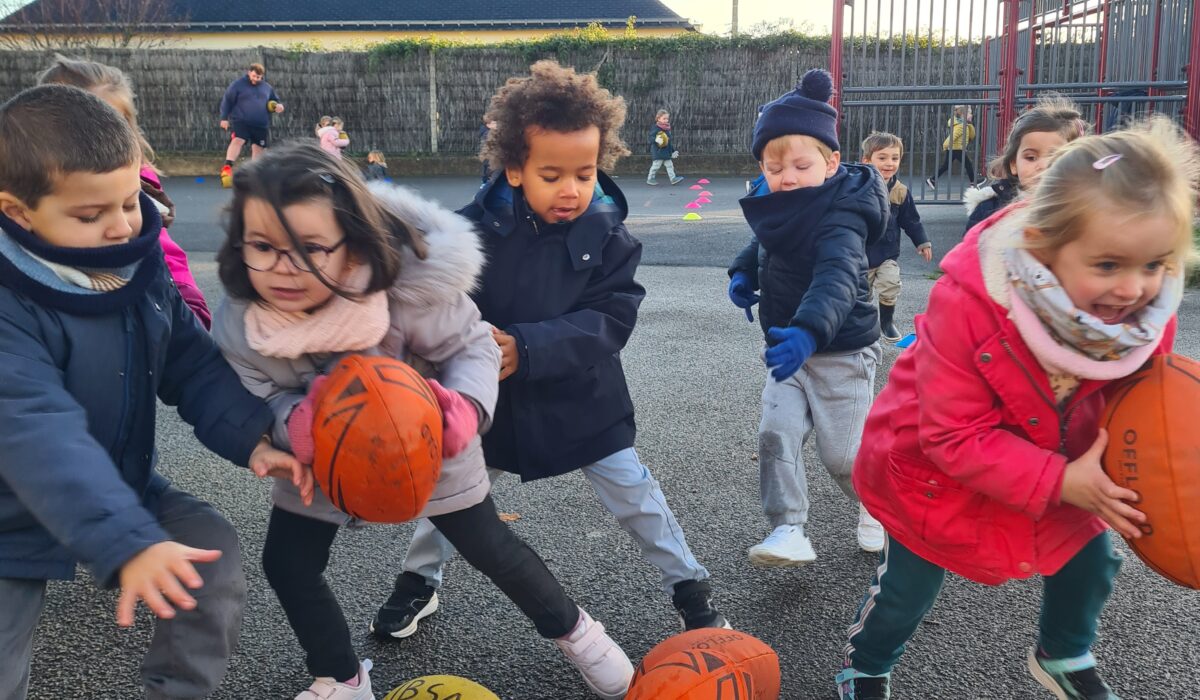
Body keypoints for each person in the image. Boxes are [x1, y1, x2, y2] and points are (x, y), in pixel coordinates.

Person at [213, 142, 635, 700]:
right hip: (320, 456)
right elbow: (256, 390)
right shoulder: (244, 321)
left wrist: (464, 408)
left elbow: (473, 347)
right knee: (287, 563)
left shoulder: (406, 290)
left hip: (427, 439)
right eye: (262, 247)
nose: (285, 268)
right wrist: (296, 423)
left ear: (354, 242)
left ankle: (579, 634)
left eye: (311, 249)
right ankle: (339, 676)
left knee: (492, 549)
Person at [836, 117, 1195, 700]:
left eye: (1155, 265)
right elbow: (951, 436)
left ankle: (1064, 653)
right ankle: (868, 664)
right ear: (1043, 248)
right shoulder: (974, 301)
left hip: (1056, 461)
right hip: (932, 473)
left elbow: (1149, 404)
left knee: (1092, 559)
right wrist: (1060, 479)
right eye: (1108, 265)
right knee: (908, 590)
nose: (1134, 289)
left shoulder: (1144, 315)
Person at [377, 60, 729, 645]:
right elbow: (431, 299)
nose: (571, 189)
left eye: (585, 173)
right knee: (448, 490)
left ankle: (688, 585)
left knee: (635, 493)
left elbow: (613, 316)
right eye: (551, 174)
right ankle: (419, 579)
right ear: (514, 170)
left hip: (582, 397)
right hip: (487, 400)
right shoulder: (467, 234)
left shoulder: (610, 236)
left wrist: (532, 346)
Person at [0, 84, 308, 700]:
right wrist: (127, 541)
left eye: (129, 200)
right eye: (91, 215)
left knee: (210, 554)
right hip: (7, 515)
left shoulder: (137, 267)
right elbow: (38, 434)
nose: (121, 225)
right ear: (16, 211)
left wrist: (252, 436)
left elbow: (189, 364)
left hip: (119, 479)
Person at [726, 69, 888, 566]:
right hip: (788, 351)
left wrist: (808, 330)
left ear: (832, 160)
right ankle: (788, 528)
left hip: (840, 350)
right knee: (775, 435)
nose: (787, 177)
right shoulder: (784, 201)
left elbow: (837, 276)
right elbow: (765, 242)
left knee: (843, 459)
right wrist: (741, 272)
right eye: (774, 169)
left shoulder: (844, 213)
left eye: (800, 165)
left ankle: (881, 509)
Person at [37, 54, 211, 328]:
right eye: (83, 133)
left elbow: (163, 249)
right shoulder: (31, 188)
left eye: (114, 130)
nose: (100, 147)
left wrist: (186, 300)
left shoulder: (139, 184)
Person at [965, 95, 1088, 234]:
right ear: (1013, 165)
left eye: (1056, 157)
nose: (1043, 166)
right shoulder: (988, 210)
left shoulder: (1081, 211)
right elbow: (967, 253)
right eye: (1031, 158)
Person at [860, 131, 932, 342]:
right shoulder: (859, 188)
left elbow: (911, 220)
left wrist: (922, 241)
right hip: (859, 254)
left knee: (891, 285)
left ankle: (887, 322)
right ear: (866, 161)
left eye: (895, 158)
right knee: (861, 293)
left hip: (887, 254)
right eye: (882, 158)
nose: (889, 163)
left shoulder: (900, 192)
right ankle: (863, 323)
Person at [218, 63, 284, 183]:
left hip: (260, 123)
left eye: (258, 77)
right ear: (249, 73)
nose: (255, 79)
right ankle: (227, 167)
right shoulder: (237, 85)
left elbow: (275, 101)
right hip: (241, 120)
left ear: (262, 76)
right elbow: (227, 100)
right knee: (238, 140)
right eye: (253, 76)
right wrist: (224, 118)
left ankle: (254, 174)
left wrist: (279, 106)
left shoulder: (267, 87)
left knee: (259, 148)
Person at [926, 104, 976, 189]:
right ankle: (973, 183)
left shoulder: (963, 124)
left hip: (954, 148)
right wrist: (946, 145)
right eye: (969, 113)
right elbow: (953, 136)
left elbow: (970, 135)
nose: (971, 115)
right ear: (963, 115)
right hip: (957, 149)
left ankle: (932, 180)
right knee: (968, 164)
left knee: (946, 166)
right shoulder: (961, 125)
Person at [646, 108, 684, 185]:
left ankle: (673, 179)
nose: (666, 120)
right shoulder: (655, 128)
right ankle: (650, 179)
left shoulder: (666, 129)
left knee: (670, 165)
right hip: (658, 152)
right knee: (656, 166)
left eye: (667, 118)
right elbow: (650, 138)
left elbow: (668, 142)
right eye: (664, 118)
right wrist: (656, 139)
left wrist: (672, 151)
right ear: (658, 118)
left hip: (666, 152)